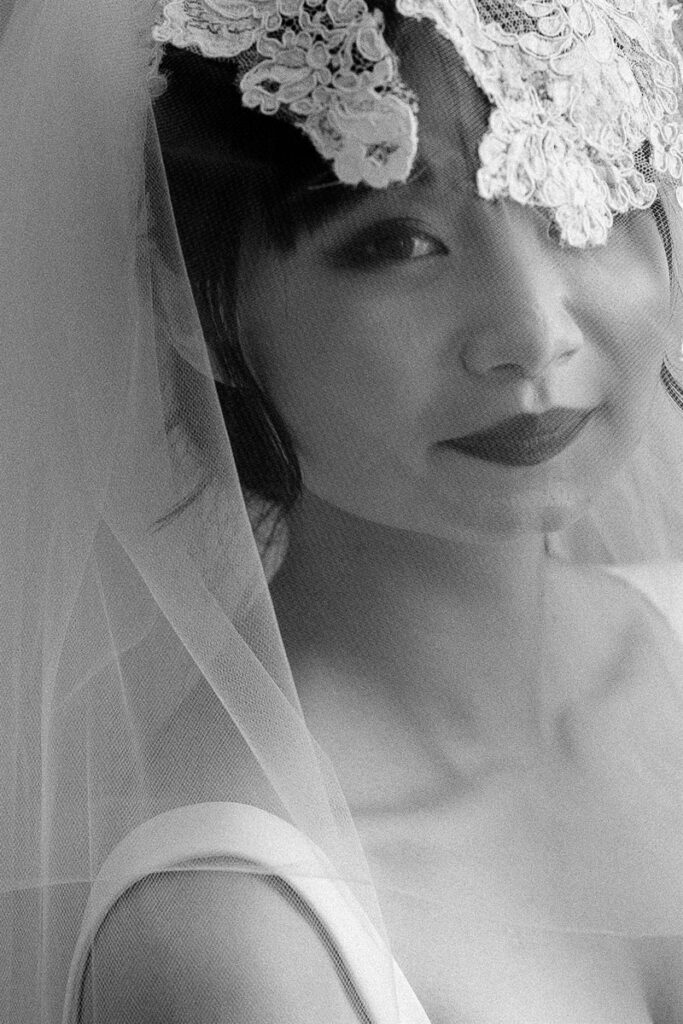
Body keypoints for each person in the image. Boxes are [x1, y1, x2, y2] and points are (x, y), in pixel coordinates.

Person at [3, 0, 683, 1021]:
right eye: (396, 242)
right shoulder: (233, 937)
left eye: (572, 199)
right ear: (188, 300)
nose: (530, 332)